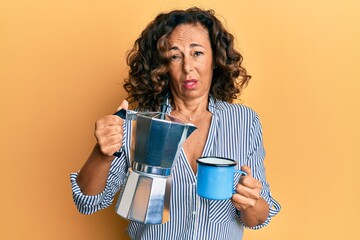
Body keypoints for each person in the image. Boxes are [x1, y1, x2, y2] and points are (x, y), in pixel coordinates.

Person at [70, 7, 281, 240]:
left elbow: (259, 218)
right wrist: (102, 154)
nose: (188, 67)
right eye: (175, 55)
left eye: (197, 53)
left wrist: (249, 202)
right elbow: (87, 202)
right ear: (163, 66)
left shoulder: (244, 121)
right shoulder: (138, 123)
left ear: (215, 59)